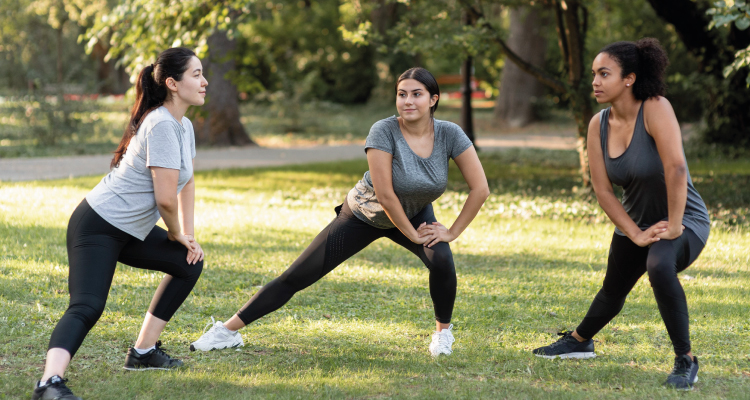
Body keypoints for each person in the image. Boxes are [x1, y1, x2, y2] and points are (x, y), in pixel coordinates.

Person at [190, 67, 489, 357]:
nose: (408, 101)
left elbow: (480, 189)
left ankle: (442, 334)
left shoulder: (449, 134)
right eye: (401, 94)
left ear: (433, 99)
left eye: (416, 94)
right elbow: (385, 194)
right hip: (364, 213)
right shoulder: (384, 130)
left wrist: (450, 232)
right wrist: (412, 234)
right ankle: (227, 331)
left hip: (414, 212)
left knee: (442, 261)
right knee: (297, 276)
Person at [531, 38, 710, 391]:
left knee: (659, 265)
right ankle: (580, 341)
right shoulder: (597, 124)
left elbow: (676, 169)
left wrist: (674, 227)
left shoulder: (655, 107)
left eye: (604, 73)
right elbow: (602, 190)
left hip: (685, 219)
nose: (595, 81)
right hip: (637, 221)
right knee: (613, 290)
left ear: (628, 78)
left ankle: (686, 359)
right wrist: (636, 233)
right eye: (594, 73)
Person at [32, 47, 207, 400]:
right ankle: (49, 383)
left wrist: (186, 235)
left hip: (131, 231)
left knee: (188, 262)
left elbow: (186, 182)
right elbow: (165, 198)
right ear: (172, 83)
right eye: (196, 74)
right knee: (88, 306)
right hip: (98, 225)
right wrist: (174, 232)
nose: (205, 82)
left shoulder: (183, 126)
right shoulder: (159, 124)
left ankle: (143, 352)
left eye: (203, 74)